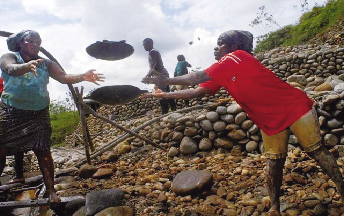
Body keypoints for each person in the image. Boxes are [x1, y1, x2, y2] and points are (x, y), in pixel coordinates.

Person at [142, 30, 344, 215]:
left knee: (316, 151)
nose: (216, 48)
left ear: (232, 47)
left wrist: (166, 81)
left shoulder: (236, 56)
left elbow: (196, 77)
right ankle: (274, 206)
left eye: (220, 44)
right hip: (269, 119)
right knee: (274, 162)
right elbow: (195, 91)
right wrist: (161, 94)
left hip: (295, 107)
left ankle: (342, 189)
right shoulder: (223, 70)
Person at [0, 30, 104, 203]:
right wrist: (25, 67)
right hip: (11, 112)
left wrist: (82, 76)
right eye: (30, 41)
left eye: (38, 42)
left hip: (38, 113)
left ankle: (51, 191)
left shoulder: (46, 63)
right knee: (1, 149)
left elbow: (63, 77)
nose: (35, 45)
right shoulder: (10, 56)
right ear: (20, 43)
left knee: (43, 150)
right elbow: (10, 69)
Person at [142, 38, 176, 114]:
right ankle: (174, 109)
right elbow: (152, 67)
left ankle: (165, 112)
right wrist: (148, 76)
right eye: (143, 45)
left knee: (160, 93)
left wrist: (148, 76)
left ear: (150, 43)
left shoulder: (153, 52)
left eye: (145, 45)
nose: (144, 47)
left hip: (160, 74)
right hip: (162, 73)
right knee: (167, 92)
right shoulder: (152, 52)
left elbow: (155, 65)